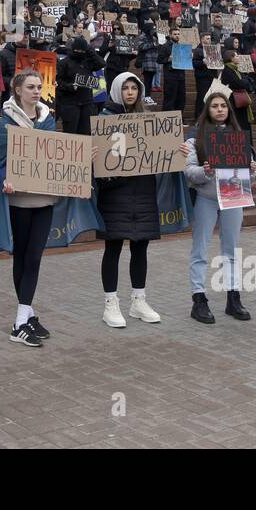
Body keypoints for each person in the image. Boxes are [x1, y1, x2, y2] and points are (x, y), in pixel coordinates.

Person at [0, 69, 58, 346]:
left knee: (34, 257)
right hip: (19, 199)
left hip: (43, 200)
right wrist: (4, 178)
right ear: (18, 90)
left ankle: (24, 316)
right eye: (30, 86)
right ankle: (22, 319)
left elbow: (58, 158)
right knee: (22, 256)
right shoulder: (6, 123)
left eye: (39, 86)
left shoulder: (48, 121)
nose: (36, 90)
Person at [97, 73, 164, 328]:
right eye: (125, 88)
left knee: (140, 248)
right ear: (116, 90)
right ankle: (110, 304)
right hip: (115, 193)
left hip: (143, 192)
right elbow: (100, 167)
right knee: (112, 248)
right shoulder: (104, 119)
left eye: (134, 88)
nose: (130, 92)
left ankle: (139, 300)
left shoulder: (148, 120)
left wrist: (174, 152)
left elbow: (160, 154)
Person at [184, 89, 256, 324]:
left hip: (233, 196)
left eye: (223, 106)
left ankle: (233, 297)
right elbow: (189, 172)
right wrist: (206, 172)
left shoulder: (238, 136)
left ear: (229, 110)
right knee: (200, 249)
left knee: (231, 250)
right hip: (206, 198)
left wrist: (252, 171)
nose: (219, 110)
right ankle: (199, 299)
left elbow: (247, 178)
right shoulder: (196, 138)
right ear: (208, 110)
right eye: (214, 106)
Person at [55, 35, 101, 133]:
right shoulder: (64, 63)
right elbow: (57, 82)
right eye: (78, 50)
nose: (80, 53)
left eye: (83, 51)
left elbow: (101, 63)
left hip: (86, 103)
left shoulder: (87, 62)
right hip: (70, 104)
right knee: (70, 133)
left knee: (85, 133)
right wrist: (70, 87)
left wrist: (89, 49)